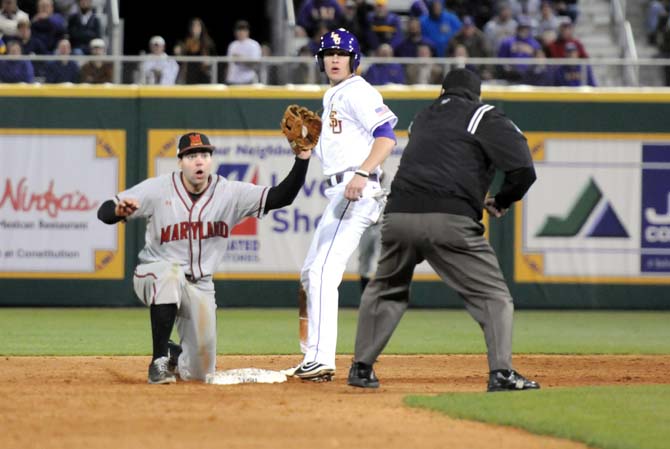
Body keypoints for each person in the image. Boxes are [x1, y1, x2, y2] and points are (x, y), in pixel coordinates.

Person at [347, 68, 540, 393]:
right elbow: (523, 170)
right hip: (449, 219)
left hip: (399, 216)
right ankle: (501, 373)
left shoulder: (424, 117)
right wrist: (504, 198)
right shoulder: (483, 115)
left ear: (443, 91)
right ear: (476, 93)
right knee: (493, 296)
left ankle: (361, 368)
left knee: (386, 288)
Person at [97, 132, 312, 384]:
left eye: (204, 155)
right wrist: (116, 211)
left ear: (211, 160)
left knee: (199, 373)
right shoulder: (158, 189)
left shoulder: (229, 192)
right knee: (170, 274)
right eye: (191, 156)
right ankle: (159, 361)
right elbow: (104, 211)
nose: (198, 161)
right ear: (180, 161)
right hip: (153, 274)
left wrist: (303, 158)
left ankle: (174, 352)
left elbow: (280, 197)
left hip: (200, 285)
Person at [286, 28, 397, 382]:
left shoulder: (358, 91)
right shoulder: (333, 95)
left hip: (356, 189)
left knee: (322, 272)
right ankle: (312, 356)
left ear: (354, 60)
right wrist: (308, 149)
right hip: (341, 189)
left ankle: (321, 358)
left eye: (341, 53)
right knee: (309, 274)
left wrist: (363, 173)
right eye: (328, 54)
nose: (334, 59)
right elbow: (334, 150)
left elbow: (387, 137)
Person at [174, 17, 217, 84]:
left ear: (202, 28)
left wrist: (209, 61)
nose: (195, 28)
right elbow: (179, 60)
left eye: (198, 25)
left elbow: (215, 59)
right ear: (190, 28)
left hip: (203, 74)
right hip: (189, 74)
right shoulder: (185, 42)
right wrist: (178, 52)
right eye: (193, 25)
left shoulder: (208, 42)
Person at [224, 20, 262, 85]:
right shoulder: (232, 45)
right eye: (239, 30)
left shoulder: (253, 44)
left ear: (248, 32)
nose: (241, 33)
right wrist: (226, 78)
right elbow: (228, 65)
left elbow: (256, 63)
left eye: (243, 30)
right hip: (233, 80)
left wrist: (241, 59)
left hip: (248, 80)